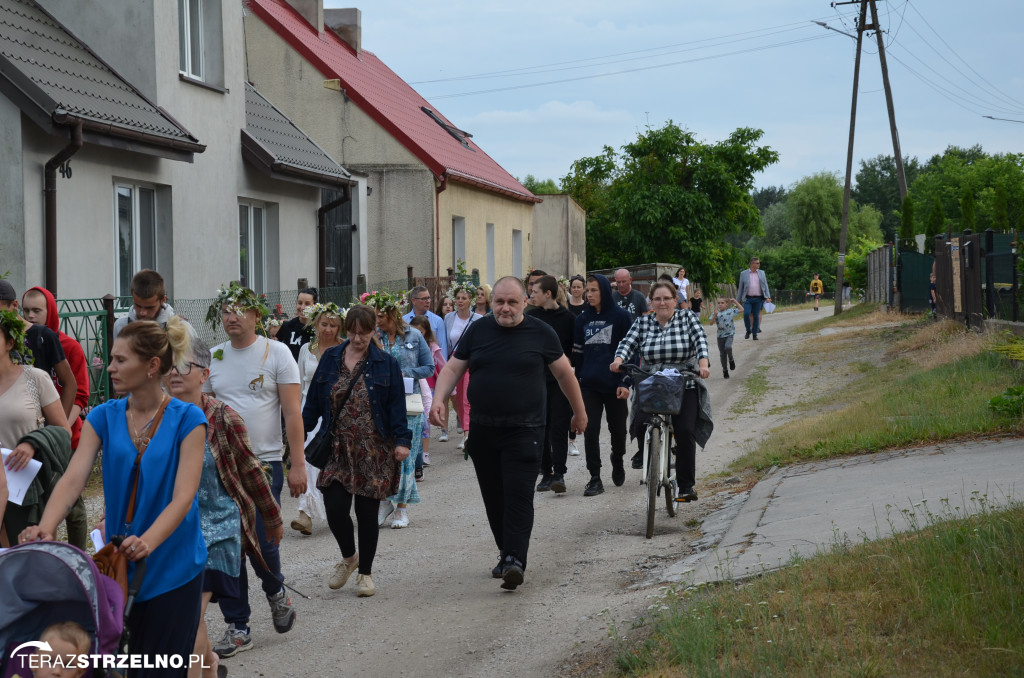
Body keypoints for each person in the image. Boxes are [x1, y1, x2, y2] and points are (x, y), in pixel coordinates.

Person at [20, 317, 207, 678]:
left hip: (174, 566)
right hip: (120, 567)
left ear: (152, 366)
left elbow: (184, 496)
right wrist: (46, 527)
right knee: (126, 666)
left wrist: (148, 541)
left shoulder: (189, 418)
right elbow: (74, 479)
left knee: (163, 669)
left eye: (121, 360)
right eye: (112, 358)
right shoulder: (104, 416)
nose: (110, 367)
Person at [429, 277, 586, 591]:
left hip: (526, 429)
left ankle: (515, 559)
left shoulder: (542, 333)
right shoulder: (479, 330)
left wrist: (579, 413)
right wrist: (438, 400)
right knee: (494, 497)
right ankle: (506, 552)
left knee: (517, 494)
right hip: (484, 430)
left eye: (512, 302)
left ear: (524, 302)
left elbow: (565, 373)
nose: (505, 308)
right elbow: (453, 368)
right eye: (499, 301)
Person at [163, 339, 282, 678]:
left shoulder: (223, 418)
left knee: (188, 614)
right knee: (192, 618)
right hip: (177, 532)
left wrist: (271, 518)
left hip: (219, 530)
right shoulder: (159, 419)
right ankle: (210, 667)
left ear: (204, 374)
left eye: (183, 366)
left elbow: (251, 472)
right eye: (170, 365)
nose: (174, 373)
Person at [202, 283, 303, 658]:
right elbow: (201, 407)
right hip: (222, 464)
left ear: (256, 315)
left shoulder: (277, 353)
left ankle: (276, 592)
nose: (231, 317)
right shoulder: (214, 357)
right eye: (226, 311)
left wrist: (297, 464)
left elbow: (292, 412)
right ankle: (238, 625)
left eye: (239, 310)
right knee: (230, 544)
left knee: (262, 537)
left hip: (265, 461)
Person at [303, 305, 411, 598]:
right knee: (335, 507)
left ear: (373, 331)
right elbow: (313, 401)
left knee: (366, 512)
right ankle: (350, 558)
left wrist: (402, 440)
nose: (358, 338)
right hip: (337, 446)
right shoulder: (330, 358)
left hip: (373, 448)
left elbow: (396, 405)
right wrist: (297, 434)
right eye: (352, 332)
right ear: (345, 330)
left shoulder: (385, 363)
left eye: (364, 333)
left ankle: (365, 573)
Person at [611, 280, 713, 502]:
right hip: (653, 381)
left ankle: (686, 486)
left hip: (683, 380)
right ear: (651, 302)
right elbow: (627, 343)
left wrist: (703, 364)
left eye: (667, 298)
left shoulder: (687, 318)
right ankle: (651, 459)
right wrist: (619, 360)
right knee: (641, 422)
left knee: (685, 430)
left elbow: (700, 341)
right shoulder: (642, 322)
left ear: (675, 300)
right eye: (657, 298)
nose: (662, 302)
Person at [20, 286, 90, 549]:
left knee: (72, 506)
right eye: (26, 310)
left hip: (66, 436)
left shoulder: (69, 346)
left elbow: (80, 395)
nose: (31, 315)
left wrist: (59, 430)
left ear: (50, 312)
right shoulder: (20, 344)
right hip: (33, 436)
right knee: (39, 504)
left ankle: (78, 555)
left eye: (37, 310)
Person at [0, 310, 72, 545]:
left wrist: (32, 443)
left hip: (25, 489)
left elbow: (63, 432)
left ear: (10, 342)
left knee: (25, 565)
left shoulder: (35, 378)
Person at [369, 291, 433, 528]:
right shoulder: (375, 336)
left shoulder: (415, 336)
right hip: (381, 404)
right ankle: (386, 502)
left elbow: (429, 367)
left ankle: (402, 509)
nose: (378, 321)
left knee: (405, 456)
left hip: (409, 403)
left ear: (393, 314)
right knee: (384, 455)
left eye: (381, 316)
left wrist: (406, 374)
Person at [574, 275, 633, 496]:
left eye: (594, 290)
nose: (589, 294)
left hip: (615, 385)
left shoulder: (622, 317)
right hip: (589, 385)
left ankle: (617, 458)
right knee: (591, 430)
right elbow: (578, 355)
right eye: (587, 290)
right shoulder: (581, 320)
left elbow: (631, 353)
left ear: (605, 292)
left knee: (618, 430)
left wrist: (626, 381)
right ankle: (595, 477)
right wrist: (577, 381)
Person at [291, 303, 344, 536]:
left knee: (332, 460)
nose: (328, 329)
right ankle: (305, 513)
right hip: (309, 410)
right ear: (316, 324)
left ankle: (336, 507)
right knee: (307, 458)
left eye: (333, 325)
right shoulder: (307, 349)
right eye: (324, 324)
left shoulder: (344, 348)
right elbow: (300, 382)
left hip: (334, 409)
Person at [526, 276, 576, 494]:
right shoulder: (531, 317)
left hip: (560, 381)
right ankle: (545, 472)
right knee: (541, 427)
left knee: (559, 426)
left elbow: (574, 351)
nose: (531, 295)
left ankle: (560, 473)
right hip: (537, 380)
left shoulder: (568, 318)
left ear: (548, 293)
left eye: (535, 291)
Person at [0, 281, 77, 420]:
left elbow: (70, 383)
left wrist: (57, 428)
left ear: (15, 305)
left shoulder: (44, 336)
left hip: (38, 422)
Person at [443, 281, 483, 451]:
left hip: (472, 361)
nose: (460, 301)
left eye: (464, 298)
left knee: (467, 397)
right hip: (455, 360)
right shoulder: (448, 318)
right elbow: (446, 342)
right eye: (458, 298)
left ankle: (468, 435)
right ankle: (467, 431)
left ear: (470, 301)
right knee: (458, 398)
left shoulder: (478, 319)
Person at [111, 269, 195, 337]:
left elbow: (199, 358)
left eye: (149, 307)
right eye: (138, 305)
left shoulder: (182, 329)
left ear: (163, 300)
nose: (142, 312)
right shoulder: (121, 326)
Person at [408, 315, 442, 467]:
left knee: (425, 420)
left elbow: (441, 364)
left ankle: (425, 452)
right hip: (411, 385)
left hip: (428, 384)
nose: (417, 335)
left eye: (420, 332)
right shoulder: (405, 344)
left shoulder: (430, 346)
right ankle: (415, 453)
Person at [403, 285, 448, 358]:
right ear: (414, 301)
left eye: (429, 298)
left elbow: (442, 348)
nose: (428, 301)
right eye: (424, 299)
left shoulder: (437, 321)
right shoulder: (404, 321)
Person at [275, 288, 318, 361]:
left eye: (307, 304)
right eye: (300, 303)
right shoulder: (287, 326)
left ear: (315, 306)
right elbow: (277, 351)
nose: (302, 307)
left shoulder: (318, 329)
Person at [737, 257, 772, 340]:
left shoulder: (762, 273)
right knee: (746, 314)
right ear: (752, 264)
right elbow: (740, 287)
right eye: (757, 263)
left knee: (756, 316)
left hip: (758, 299)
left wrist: (768, 297)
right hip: (747, 299)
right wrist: (738, 301)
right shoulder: (743, 273)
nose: (759, 264)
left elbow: (765, 285)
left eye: (759, 263)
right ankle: (748, 330)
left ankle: (755, 334)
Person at [710, 298, 742, 379]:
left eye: (722, 303)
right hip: (720, 337)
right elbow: (710, 323)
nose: (720, 304)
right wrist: (714, 315)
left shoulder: (730, 311)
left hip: (729, 334)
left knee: (728, 347)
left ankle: (731, 359)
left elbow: (742, 309)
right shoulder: (716, 313)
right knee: (722, 355)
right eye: (718, 303)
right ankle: (725, 370)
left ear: (726, 304)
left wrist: (735, 302)